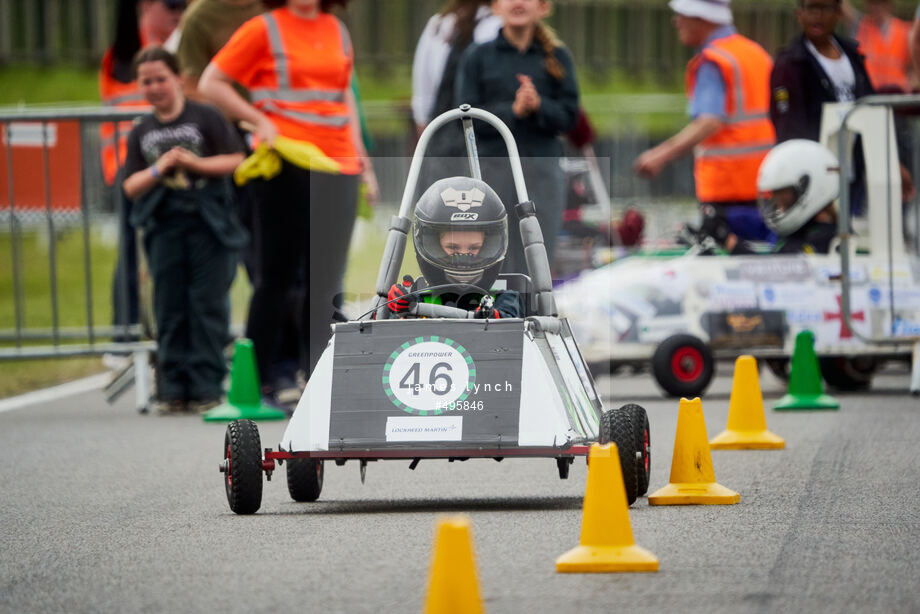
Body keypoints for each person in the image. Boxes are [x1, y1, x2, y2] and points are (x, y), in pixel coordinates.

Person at [199, 0, 378, 395]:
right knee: (276, 277)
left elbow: (344, 95)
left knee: (327, 280)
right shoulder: (264, 28)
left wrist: (362, 161)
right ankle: (259, 380)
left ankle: (318, 379)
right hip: (285, 161)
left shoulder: (336, 28)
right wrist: (259, 119)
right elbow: (211, 82)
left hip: (337, 164)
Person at [121, 47, 247, 414]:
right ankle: (173, 387)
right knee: (170, 306)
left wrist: (196, 164)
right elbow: (130, 185)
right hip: (164, 225)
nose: (156, 86)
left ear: (177, 78)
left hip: (209, 223)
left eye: (161, 78)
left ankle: (207, 385)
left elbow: (236, 159)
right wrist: (160, 168)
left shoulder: (205, 116)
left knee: (207, 303)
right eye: (147, 81)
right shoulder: (141, 130)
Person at [634, 0, 776, 244]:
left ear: (702, 18)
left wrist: (660, 154)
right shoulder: (756, 53)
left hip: (727, 191)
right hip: (767, 185)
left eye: (682, 14)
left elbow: (709, 122)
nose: (676, 21)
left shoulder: (714, 61)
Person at [454, 0, 579, 277]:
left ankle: (535, 315)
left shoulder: (558, 57)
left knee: (537, 255)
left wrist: (539, 106)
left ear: (543, 7)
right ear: (496, 7)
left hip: (541, 173)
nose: (518, 2)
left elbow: (570, 117)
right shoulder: (477, 57)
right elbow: (464, 117)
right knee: (491, 256)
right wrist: (511, 111)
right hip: (492, 172)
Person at [101, 0, 187, 344]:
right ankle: (125, 334)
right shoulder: (127, 50)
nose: (179, 12)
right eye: (171, 5)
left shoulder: (182, 48)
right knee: (131, 253)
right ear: (146, 6)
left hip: (177, 167)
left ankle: (176, 333)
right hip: (131, 168)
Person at [386, 176, 525, 319]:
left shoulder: (506, 299)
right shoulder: (418, 301)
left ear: (487, 246)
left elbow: (510, 321)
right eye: (453, 248)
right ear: (434, 245)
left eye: (473, 248)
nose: (464, 258)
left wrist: (488, 316)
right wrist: (401, 309)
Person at [700, 139, 840, 255]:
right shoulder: (798, 228)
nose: (779, 205)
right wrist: (722, 216)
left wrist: (731, 244)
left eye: (784, 196)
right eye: (775, 196)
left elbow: (778, 268)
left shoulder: (825, 237)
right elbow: (760, 224)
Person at [844, 0, 912, 92]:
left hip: (898, 96)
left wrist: (910, 84)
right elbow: (840, 6)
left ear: (889, 4)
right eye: (872, 3)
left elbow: (913, 68)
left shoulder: (905, 30)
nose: (875, 7)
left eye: (880, 3)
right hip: (869, 94)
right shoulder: (860, 25)